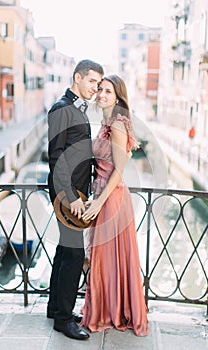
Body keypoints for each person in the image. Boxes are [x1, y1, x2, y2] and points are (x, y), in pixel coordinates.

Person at [81, 74, 149, 336]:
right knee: (104, 258)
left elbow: (119, 170)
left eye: (108, 91)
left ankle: (108, 313)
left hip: (111, 198)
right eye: (100, 90)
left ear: (118, 97)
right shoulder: (107, 123)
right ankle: (108, 309)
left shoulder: (118, 124)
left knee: (105, 257)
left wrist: (99, 203)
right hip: (103, 194)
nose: (102, 94)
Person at [47, 59, 104, 341]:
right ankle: (63, 320)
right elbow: (55, 158)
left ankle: (54, 307)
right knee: (73, 254)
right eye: (92, 81)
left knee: (63, 250)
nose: (96, 87)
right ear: (77, 78)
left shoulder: (77, 108)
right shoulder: (62, 109)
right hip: (68, 196)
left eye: (98, 83)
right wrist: (70, 198)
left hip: (77, 193)